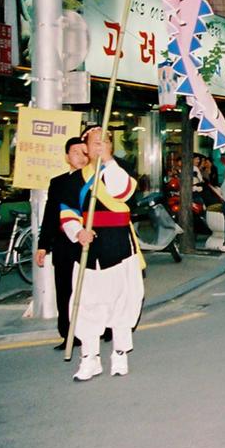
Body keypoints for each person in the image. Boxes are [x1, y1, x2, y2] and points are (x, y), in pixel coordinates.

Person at [59, 126, 145, 381]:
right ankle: (90, 358)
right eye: (94, 142)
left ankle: (119, 354)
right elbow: (67, 213)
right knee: (86, 305)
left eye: (104, 142)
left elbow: (123, 193)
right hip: (87, 251)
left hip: (119, 248)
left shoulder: (123, 169)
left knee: (123, 302)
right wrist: (77, 232)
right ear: (85, 146)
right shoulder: (74, 180)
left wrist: (108, 160)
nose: (99, 145)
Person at [35, 136, 89, 349]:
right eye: (75, 153)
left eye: (84, 153)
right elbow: (50, 216)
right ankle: (68, 334)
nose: (81, 157)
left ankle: (102, 329)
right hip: (64, 245)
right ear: (67, 157)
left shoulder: (97, 179)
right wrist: (42, 244)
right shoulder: (58, 182)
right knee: (64, 288)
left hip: (90, 242)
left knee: (92, 289)